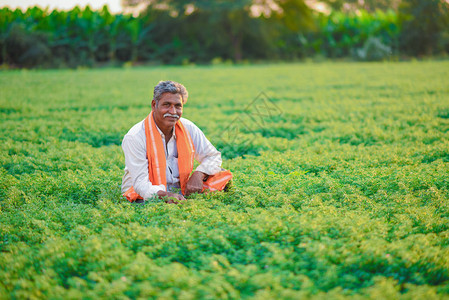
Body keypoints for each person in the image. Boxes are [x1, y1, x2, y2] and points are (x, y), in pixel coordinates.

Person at [121, 80, 232, 204]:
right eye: (166, 105)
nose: (173, 112)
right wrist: (165, 195)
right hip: (146, 193)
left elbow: (213, 156)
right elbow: (140, 184)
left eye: (178, 106)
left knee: (220, 174)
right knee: (145, 200)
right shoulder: (135, 136)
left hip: (180, 191)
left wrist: (199, 174)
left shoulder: (187, 127)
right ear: (154, 105)